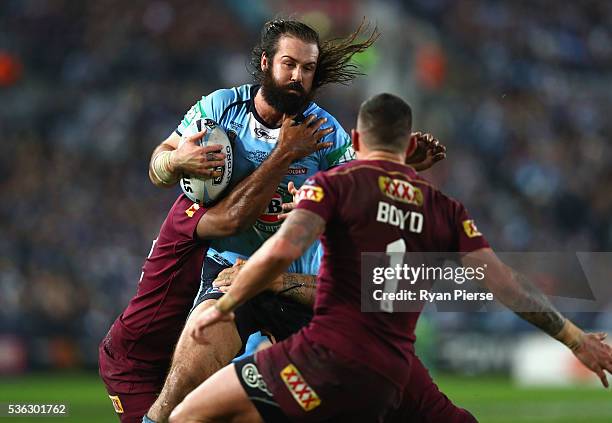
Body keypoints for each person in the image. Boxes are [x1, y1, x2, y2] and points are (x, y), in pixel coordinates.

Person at [170, 93, 612, 423]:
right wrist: (578, 340)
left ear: (357, 139)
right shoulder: (444, 208)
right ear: (407, 147)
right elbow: (507, 284)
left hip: (325, 358)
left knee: (187, 416)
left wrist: (224, 305)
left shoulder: (336, 184)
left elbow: (283, 250)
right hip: (393, 376)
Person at [98, 114, 332, 423]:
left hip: (179, 349)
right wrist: (284, 152)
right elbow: (235, 217)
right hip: (139, 359)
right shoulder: (192, 211)